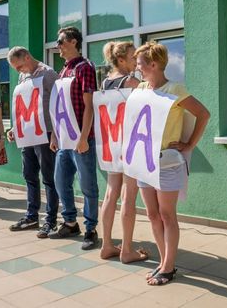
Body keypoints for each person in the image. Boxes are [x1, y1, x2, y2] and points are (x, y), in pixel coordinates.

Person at [134, 41, 210, 286]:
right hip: (145, 162)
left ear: (154, 64)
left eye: (140, 64)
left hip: (167, 162)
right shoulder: (141, 88)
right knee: (152, 214)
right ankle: (164, 261)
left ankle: (168, 268)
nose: (137, 68)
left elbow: (203, 114)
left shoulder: (175, 89)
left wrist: (189, 145)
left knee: (167, 215)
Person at [48, 26, 99, 250]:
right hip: (64, 140)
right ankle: (70, 222)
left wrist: (84, 137)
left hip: (81, 139)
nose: (57, 46)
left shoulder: (84, 67)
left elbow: (89, 106)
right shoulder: (64, 70)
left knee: (88, 185)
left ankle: (91, 229)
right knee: (61, 182)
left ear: (73, 42)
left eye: (60, 41)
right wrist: (54, 134)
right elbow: (59, 106)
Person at [98, 41, 149, 263]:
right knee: (129, 196)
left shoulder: (105, 82)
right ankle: (127, 250)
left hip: (111, 145)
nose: (136, 62)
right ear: (120, 60)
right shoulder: (132, 83)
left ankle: (107, 245)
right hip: (129, 145)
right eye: (132, 57)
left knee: (110, 194)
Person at [6, 46, 60, 239]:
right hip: (27, 134)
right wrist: (15, 128)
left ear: (27, 57)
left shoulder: (48, 74)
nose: (18, 71)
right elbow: (22, 106)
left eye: (19, 66)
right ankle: (31, 216)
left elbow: (58, 104)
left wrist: (55, 133)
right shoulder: (23, 77)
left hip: (45, 134)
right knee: (29, 175)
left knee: (49, 178)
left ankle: (51, 220)